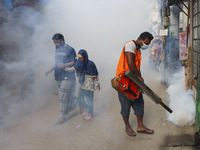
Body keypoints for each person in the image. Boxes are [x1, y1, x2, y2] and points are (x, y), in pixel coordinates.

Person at [116, 32, 154, 136]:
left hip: (133, 80)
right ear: (140, 39)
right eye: (146, 42)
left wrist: (140, 80)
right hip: (124, 80)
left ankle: (140, 126)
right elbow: (130, 63)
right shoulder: (130, 45)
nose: (146, 45)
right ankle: (127, 127)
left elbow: (136, 67)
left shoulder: (138, 50)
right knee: (125, 105)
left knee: (139, 102)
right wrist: (139, 77)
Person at [45, 33, 77, 125]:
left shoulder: (70, 49)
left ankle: (62, 117)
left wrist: (64, 65)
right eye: (54, 42)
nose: (55, 44)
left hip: (68, 76)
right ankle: (79, 103)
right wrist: (50, 69)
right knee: (69, 96)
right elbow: (57, 62)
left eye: (56, 42)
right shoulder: (57, 49)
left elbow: (74, 62)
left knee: (62, 97)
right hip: (58, 76)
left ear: (62, 41)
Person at [65, 49, 100, 121]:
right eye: (79, 58)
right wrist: (65, 68)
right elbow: (74, 69)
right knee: (80, 98)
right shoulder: (79, 63)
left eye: (82, 58)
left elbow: (95, 75)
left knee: (89, 99)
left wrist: (97, 84)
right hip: (83, 84)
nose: (81, 59)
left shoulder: (91, 64)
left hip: (90, 85)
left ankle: (90, 113)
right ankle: (86, 109)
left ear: (85, 56)